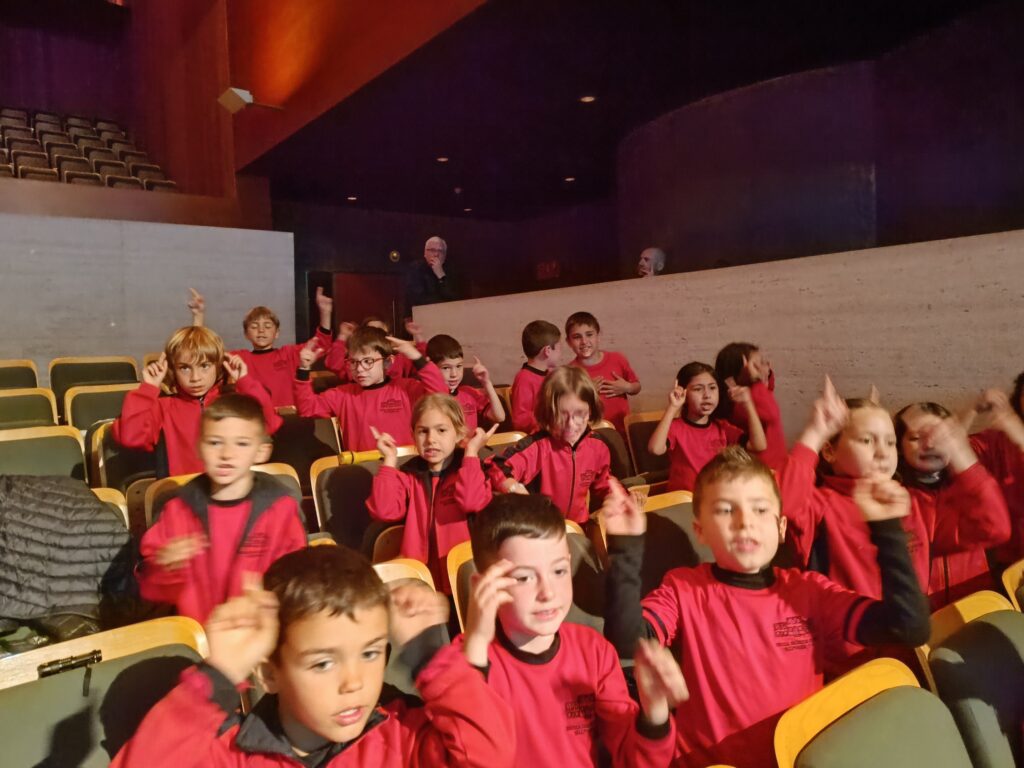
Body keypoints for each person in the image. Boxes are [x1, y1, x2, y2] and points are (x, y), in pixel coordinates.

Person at [603, 449, 930, 767]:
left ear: (781, 528)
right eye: (726, 510)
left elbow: (908, 627)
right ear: (700, 530)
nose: (745, 522)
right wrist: (625, 548)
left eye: (760, 509)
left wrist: (888, 530)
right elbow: (628, 639)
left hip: (796, 758)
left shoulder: (810, 591)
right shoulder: (684, 588)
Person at [111, 545, 518, 768]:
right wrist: (219, 675)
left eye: (371, 652)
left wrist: (431, 657)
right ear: (270, 674)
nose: (354, 682)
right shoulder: (232, 755)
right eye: (323, 663)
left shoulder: (400, 735)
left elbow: (489, 756)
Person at [455, 494, 685, 767]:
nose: (548, 592)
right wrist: (475, 649)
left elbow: (634, 759)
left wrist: (654, 711)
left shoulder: (594, 651)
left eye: (559, 571)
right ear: (483, 586)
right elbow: (458, 754)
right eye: (524, 577)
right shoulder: (466, 661)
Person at [779, 378, 1005, 602]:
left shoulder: (912, 504)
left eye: (890, 442)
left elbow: (993, 527)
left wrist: (960, 453)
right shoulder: (821, 505)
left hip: (910, 625)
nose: (882, 452)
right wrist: (815, 433)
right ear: (830, 452)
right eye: (867, 440)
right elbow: (784, 508)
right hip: (846, 624)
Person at [135, 394, 306, 623]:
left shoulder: (280, 509)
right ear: (198, 447)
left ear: (262, 451)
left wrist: (271, 600)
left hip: (261, 633)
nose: (226, 454)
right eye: (215, 442)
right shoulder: (178, 510)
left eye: (242, 443)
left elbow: (296, 581)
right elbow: (151, 590)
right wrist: (166, 568)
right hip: (201, 636)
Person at [113, 326, 281, 477]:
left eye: (204, 366)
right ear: (172, 370)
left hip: (233, 488)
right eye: (185, 368)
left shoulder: (234, 401)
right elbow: (131, 438)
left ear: (218, 365)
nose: (195, 378)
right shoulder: (163, 407)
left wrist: (245, 381)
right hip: (185, 492)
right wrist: (148, 389)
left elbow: (269, 424)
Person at [368, 394, 496, 591]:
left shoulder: (471, 470)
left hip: (465, 579)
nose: (430, 439)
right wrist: (390, 462)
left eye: (441, 430)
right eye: (423, 431)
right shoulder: (409, 475)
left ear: (459, 434)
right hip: (420, 581)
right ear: (413, 435)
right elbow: (384, 511)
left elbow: (470, 501)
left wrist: (471, 452)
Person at [894, 401, 1009, 608]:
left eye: (940, 437)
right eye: (915, 438)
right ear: (899, 448)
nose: (929, 444)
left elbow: (996, 528)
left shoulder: (969, 487)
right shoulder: (895, 498)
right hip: (924, 617)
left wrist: (963, 460)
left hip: (977, 607)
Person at [293, 325, 446, 451]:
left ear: (388, 362)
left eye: (368, 361)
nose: (359, 369)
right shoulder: (343, 394)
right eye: (354, 362)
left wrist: (416, 357)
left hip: (405, 467)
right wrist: (303, 369)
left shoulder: (406, 388)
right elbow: (307, 409)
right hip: (363, 470)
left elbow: (441, 396)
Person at [490, 366, 612, 523]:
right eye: (561, 414)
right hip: (543, 529)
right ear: (548, 413)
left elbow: (605, 482)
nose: (570, 424)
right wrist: (513, 487)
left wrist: (621, 496)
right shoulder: (537, 446)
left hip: (578, 528)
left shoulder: (597, 446)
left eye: (580, 414)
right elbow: (497, 466)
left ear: (591, 411)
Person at [188, 288, 334, 409]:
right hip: (254, 420)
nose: (261, 330)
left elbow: (321, 344)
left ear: (277, 333)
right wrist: (198, 316)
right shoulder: (240, 358)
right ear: (246, 334)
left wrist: (325, 313)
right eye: (254, 326)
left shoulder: (289, 354)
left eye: (267, 326)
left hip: (289, 419)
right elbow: (202, 352)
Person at [647, 362, 767, 492]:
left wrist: (748, 404)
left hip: (715, 496)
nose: (707, 395)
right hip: (684, 500)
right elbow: (655, 449)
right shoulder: (676, 427)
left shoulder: (722, 428)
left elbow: (759, 445)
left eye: (712, 388)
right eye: (698, 389)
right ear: (684, 393)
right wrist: (673, 407)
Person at [961, 384, 1024, 568]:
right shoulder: (999, 439)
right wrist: (972, 410)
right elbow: (950, 451)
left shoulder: (1014, 433)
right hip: (1007, 555)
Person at [714, 341, 786, 472]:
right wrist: (757, 380)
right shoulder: (742, 401)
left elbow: (769, 389)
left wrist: (764, 375)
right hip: (765, 467)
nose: (765, 366)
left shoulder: (750, 393)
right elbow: (771, 411)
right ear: (741, 370)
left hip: (773, 464)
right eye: (756, 365)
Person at [565, 311, 641, 435]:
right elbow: (568, 408)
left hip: (623, 433)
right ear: (568, 342)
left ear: (598, 336)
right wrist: (588, 393)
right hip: (590, 436)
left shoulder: (617, 359)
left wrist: (627, 387)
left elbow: (637, 386)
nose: (584, 341)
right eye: (577, 337)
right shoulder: (569, 373)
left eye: (589, 335)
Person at [425, 333, 505, 432]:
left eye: (459, 366)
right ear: (431, 368)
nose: (454, 374)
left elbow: (499, 417)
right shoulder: (428, 398)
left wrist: (486, 382)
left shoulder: (469, 393)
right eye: (446, 368)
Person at [325, 317, 422, 382]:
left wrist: (418, 336)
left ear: (389, 335)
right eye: (370, 331)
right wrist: (343, 336)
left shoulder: (400, 359)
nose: (375, 335)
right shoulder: (356, 364)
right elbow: (334, 366)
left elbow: (423, 366)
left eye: (379, 330)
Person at [510, 320, 562, 434]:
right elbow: (520, 421)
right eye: (559, 349)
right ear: (548, 351)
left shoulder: (553, 375)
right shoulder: (524, 379)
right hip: (539, 438)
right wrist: (551, 415)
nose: (560, 353)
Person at [407, 235, 461, 307]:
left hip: (447, 312)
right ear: (425, 253)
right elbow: (418, 299)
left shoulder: (452, 270)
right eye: (432, 250)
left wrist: (441, 275)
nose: (436, 254)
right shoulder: (415, 269)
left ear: (445, 256)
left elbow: (454, 298)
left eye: (440, 251)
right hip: (423, 312)